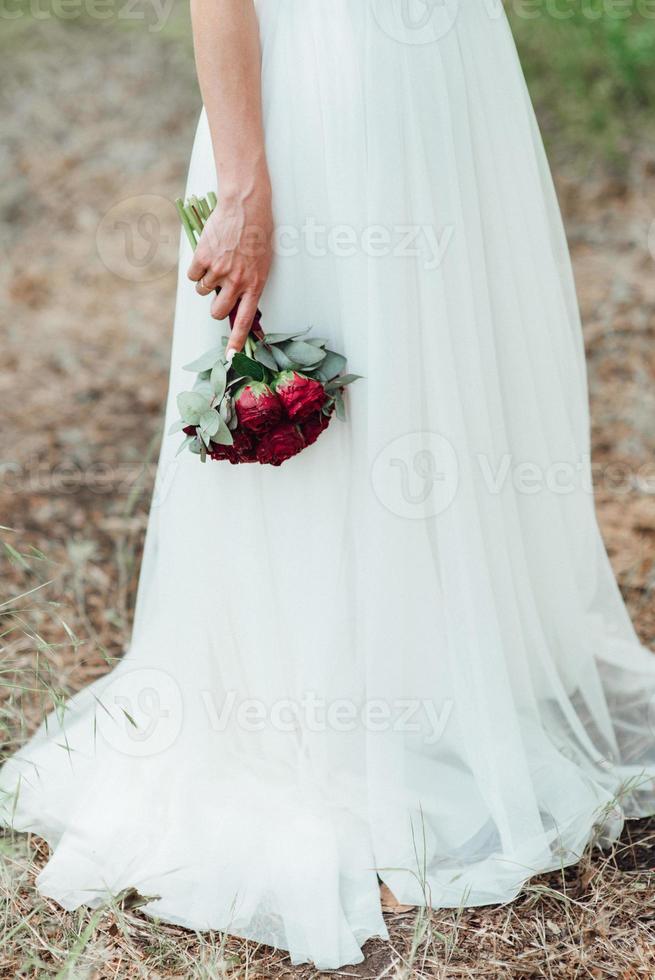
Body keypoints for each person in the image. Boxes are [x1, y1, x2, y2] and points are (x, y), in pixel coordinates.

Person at [2, 1, 655, 970]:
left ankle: (438, 680)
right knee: (343, 390)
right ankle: (326, 715)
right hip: (318, 94)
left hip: (442, 87)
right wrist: (245, 188)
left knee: (434, 392)